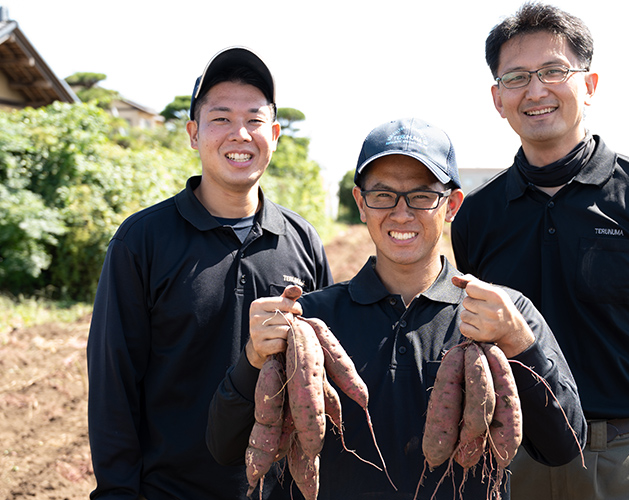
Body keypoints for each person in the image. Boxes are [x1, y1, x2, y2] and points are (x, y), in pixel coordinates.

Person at [206, 117, 587, 499]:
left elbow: (563, 446)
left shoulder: (503, 314)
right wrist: (253, 358)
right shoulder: (310, 320)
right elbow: (224, 447)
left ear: (451, 204)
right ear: (361, 203)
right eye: (383, 195)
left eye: (422, 196)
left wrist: (519, 341)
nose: (401, 214)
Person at [451, 3, 629, 499]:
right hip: (521, 459)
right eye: (516, 77)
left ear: (589, 85)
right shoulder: (478, 217)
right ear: (497, 97)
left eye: (554, 71)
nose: (536, 91)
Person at [86, 46, 334, 500]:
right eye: (221, 118)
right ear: (193, 133)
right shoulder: (142, 241)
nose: (240, 134)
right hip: (168, 491)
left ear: (275, 134)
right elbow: (112, 386)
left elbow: (320, 381)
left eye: (255, 120)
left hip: (278, 490)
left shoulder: (302, 241)